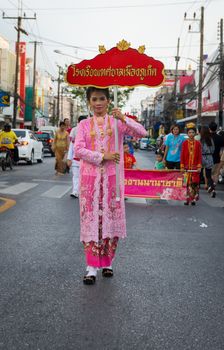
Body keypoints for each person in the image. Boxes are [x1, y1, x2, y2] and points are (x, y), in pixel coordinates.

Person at [74, 87, 147, 285]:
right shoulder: (83, 124)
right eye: (94, 99)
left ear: (108, 101)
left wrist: (124, 119)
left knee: (110, 220)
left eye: (102, 99)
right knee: (91, 221)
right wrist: (102, 156)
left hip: (112, 180)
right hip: (90, 180)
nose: (98, 103)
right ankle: (91, 268)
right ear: (89, 102)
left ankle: (108, 263)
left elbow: (142, 132)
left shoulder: (117, 123)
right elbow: (79, 149)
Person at [180, 124, 202, 205]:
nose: (191, 134)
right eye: (189, 132)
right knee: (186, 184)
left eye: (193, 132)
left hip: (195, 167)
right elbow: (182, 155)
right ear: (187, 134)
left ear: (195, 133)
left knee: (194, 184)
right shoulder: (185, 143)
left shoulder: (198, 143)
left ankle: (193, 199)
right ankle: (187, 199)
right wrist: (182, 166)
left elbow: (199, 155)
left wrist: (199, 166)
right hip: (186, 167)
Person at [67, 116, 87, 198]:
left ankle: (83, 191)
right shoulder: (74, 130)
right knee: (76, 176)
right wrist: (69, 158)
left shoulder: (90, 130)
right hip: (76, 158)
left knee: (84, 177)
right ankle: (75, 191)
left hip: (86, 159)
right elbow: (72, 145)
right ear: (78, 122)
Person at [209, 121, 224, 191]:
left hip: (208, 158)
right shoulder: (221, 138)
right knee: (216, 173)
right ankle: (214, 185)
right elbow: (223, 149)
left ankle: (210, 185)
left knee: (208, 173)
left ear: (209, 128)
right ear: (216, 129)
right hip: (217, 158)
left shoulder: (207, 138)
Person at [200, 125, 216, 197]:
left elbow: (200, 150)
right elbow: (213, 149)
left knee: (199, 173)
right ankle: (212, 187)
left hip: (203, 157)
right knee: (208, 174)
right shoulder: (210, 139)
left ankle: (209, 187)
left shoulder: (201, 140)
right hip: (210, 157)